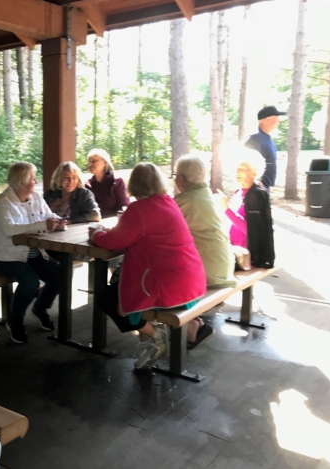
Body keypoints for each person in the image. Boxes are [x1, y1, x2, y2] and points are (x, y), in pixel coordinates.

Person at [89, 163, 206, 369]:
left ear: (134, 184)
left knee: (107, 297)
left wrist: (96, 233)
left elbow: (113, 242)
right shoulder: (168, 202)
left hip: (169, 287)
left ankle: (155, 335)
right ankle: (150, 340)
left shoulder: (139, 209)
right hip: (191, 281)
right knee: (121, 287)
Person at [0, 162, 62, 344]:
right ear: (21, 183)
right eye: (33, 179)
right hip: (5, 256)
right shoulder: (3, 201)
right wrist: (43, 225)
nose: (36, 181)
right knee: (30, 282)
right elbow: (9, 229)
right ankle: (15, 321)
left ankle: (40, 308)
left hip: (32, 254)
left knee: (60, 275)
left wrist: (58, 221)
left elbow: (48, 216)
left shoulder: (35, 197)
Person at [174, 155, 237, 349]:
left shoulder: (186, 199)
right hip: (222, 265)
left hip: (208, 271)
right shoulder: (207, 195)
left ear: (181, 178)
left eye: (175, 175)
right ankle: (194, 324)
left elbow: (158, 224)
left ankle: (191, 325)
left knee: (158, 277)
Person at [219, 149, 275, 269]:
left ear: (254, 172)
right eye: (237, 169)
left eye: (243, 169)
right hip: (232, 248)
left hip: (247, 256)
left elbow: (250, 229)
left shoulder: (257, 195)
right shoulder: (238, 192)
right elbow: (232, 221)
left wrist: (227, 209)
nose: (238, 172)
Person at [245, 106, 286, 191]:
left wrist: (268, 184)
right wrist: (255, 182)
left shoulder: (267, 138)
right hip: (254, 189)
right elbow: (244, 163)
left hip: (264, 187)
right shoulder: (254, 138)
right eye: (276, 117)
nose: (279, 121)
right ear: (267, 119)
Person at [85, 148, 130, 218]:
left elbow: (123, 207)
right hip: (93, 223)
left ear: (105, 162)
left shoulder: (117, 182)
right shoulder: (88, 185)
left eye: (94, 161)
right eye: (89, 161)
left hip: (114, 222)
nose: (90, 164)